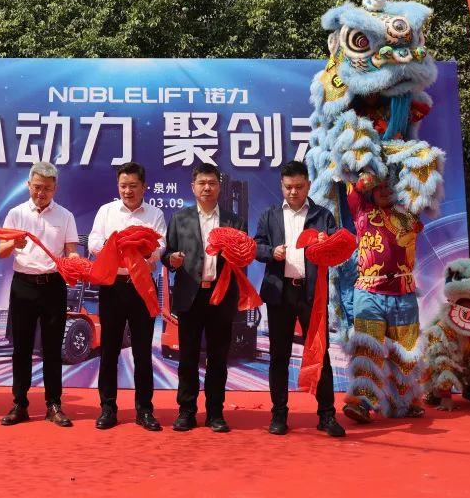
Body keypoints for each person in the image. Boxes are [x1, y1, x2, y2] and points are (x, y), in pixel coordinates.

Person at [253, 161, 345, 437]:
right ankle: (279, 414)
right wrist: (271, 252)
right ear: (281, 186)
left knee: (320, 354)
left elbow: (337, 249)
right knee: (278, 356)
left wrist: (325, 245)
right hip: (279, 293)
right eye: (288, 187)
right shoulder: (270, 215)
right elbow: (256, 246)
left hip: (312, 294)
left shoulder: (322, 215)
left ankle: (326, 415)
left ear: (308, 185)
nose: (293, 192)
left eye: (299, 187)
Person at [163, 163, 248, 433]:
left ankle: (215, 413)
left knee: (218, 358)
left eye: (212, 183)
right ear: (193, 187)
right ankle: (186, 412)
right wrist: (172, 259)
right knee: (187, 357)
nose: (207, 188)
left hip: (221, 296)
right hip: (190, 296)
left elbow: (244, 257)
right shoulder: (180, 219)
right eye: (202, 183)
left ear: (220, 187)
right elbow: (166, 254)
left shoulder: (234, 222)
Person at [0, 162, 79, 427]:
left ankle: (54, 405)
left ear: (55, 188)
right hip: (24, 285)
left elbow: (71, 251)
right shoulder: (16, 213)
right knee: (21, 347)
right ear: (28, 185)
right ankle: (19, 404)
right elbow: (1, 251)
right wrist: (13, 243)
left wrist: (75, 262)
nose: (41, 193)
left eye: (47, 188)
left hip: (53, 285)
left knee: (53, 348)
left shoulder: (65, 216)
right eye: (37, 187)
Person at [88, 162, 166, 431]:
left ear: (144, 187)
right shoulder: (106, 211)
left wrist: (143, 249)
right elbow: (93, 242)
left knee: (143, 352)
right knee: (109, 350)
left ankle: (144, 410)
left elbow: (161, 245)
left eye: (133, 186)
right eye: (123, 186)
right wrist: (116, 245)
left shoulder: (155, 214)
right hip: (113, 286)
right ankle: (108, 408)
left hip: (142, 286)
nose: (128, 191)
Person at [341, 178, 425, 423]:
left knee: (406, 352)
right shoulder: (361, 210)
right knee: (368, 347)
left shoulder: (409, 213)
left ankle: (403, 402)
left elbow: (422, 185)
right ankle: (362, 403)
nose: (386, 190)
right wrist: (366, 178)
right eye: (380, 186)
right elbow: (352, 184)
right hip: (369, 291)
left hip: (403, 291)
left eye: (390, 185)